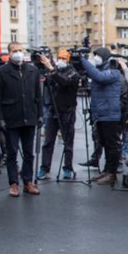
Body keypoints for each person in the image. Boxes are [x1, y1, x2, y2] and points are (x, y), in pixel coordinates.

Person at [0, 42, 42, 197]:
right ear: (9, 53)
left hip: (30, 117)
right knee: (12, 152)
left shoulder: (32, 70)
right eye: (15, 51)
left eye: (20, 50)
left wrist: (40, 114)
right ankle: (13, 183)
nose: (18, 53)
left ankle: (27, 181)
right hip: (11, 118)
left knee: (29, 152)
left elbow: (38, 96)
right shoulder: (1, 71)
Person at [79, 46, 123, 185]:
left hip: (111, 114)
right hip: (101, 113)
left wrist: (83, 60)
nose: (95, 58)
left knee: (111, 145)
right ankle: (106, 170)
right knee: (104, 143)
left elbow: (99, 77)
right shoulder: (101, 70)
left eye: (97, 55)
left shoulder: (113, 71)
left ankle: (112, 174)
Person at [37, 50, 80, 181]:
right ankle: (44, 168)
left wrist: (51, 70)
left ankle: (67, 168)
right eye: (60, 58)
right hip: (52, 110)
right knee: (48, 141)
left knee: (68, 142)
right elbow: (48, 85)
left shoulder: (73, 73)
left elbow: (64, 82)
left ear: (69, 60)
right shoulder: (53, 70)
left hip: (67, 111)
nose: (61, 60)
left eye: (64, 58)